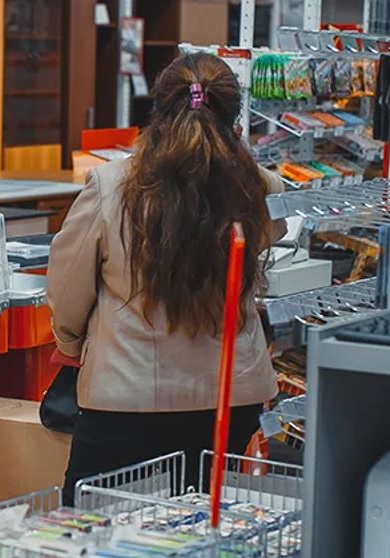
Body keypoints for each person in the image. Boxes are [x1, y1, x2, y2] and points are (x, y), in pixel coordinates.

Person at [47, 53, 287, 505]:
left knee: (93, 524)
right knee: (202, 523)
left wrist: (72, 343)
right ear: (234, 119)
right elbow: (266, 245)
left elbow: (67, 287)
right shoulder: (262, 187)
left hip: (126, 394)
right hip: (230, 398)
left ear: (157, 112)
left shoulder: (111, 186)